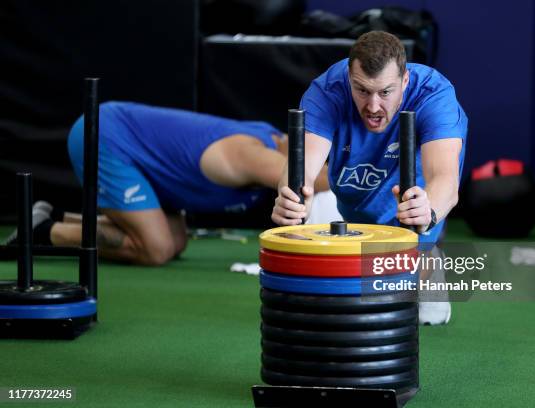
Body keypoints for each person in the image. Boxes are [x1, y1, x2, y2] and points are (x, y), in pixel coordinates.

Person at [271, 31, 468, 325]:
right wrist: (290, 198)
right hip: (353, 194)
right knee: (353, 303)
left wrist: (430, 212)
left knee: (407, 304)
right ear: (349, 78)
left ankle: (429, 262)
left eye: (385, 92)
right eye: (362, 90)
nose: (374, 106)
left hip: (413, 201)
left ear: (405, 81)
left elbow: (445, 180)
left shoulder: (434, 95)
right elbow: (302, 169)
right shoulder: (328, 91)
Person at [3, 102, 328, 265]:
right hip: (107, 135)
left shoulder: (274, 142)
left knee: (175, 243)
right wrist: (375, 173)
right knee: (154, 249)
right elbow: (303, 177)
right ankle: (44, 232)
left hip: (147, 162)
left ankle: (61, 216)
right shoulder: (252, 153)